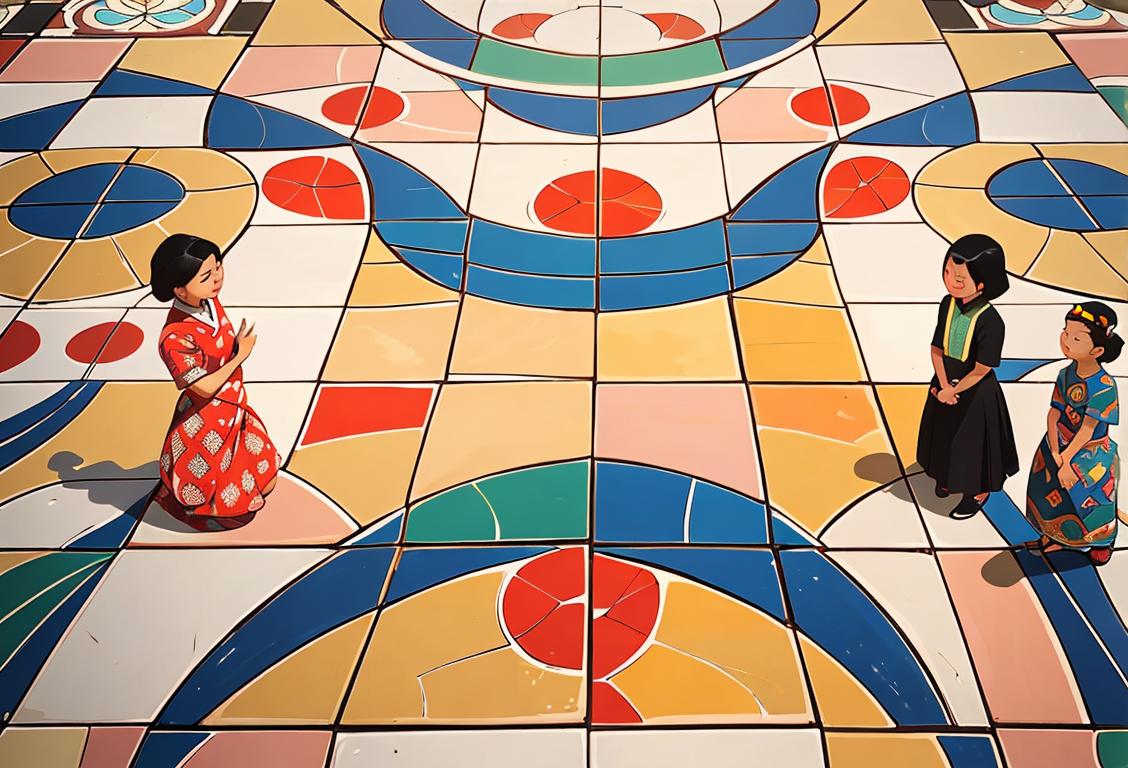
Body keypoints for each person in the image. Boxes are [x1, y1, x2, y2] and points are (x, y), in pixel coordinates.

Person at [149, 234, 279, 530]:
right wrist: (240, 355)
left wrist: (234, 348)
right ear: (179, 290)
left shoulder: (209, 302)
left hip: (233, 404)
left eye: (218, 266)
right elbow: (203, 387)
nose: (218, 277)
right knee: (213, 481)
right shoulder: (174, 336)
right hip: (207, 417)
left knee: (262, 473)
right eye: (206, 276)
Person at [917, 234, 1019, 519]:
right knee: (944, 434)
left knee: (971, 443)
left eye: (960, 278)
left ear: (982, 283)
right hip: (945, 380)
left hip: (975, 391)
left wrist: (953, 390)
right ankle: (946, 476)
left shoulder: (991, 321)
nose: (952, 281)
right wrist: (942, 384)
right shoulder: (947, 304)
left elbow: (982, 368)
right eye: (948, 272)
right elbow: (937, 348)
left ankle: (977, 491)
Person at [1026, 302, 1122, 566]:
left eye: (1076, 338)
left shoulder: (1104, 387)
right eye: (1066, 332)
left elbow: (1088, 430)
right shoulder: (1065, 373)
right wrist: (1054, 451)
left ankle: (1100, 542)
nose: (1067, 341)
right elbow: (1053, 413)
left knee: (1089, 502)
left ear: (1098, 350)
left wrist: (1066, 459)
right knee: (1049, 494)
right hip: (1058, 443)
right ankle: (1056, 536)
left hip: (1089, 453)